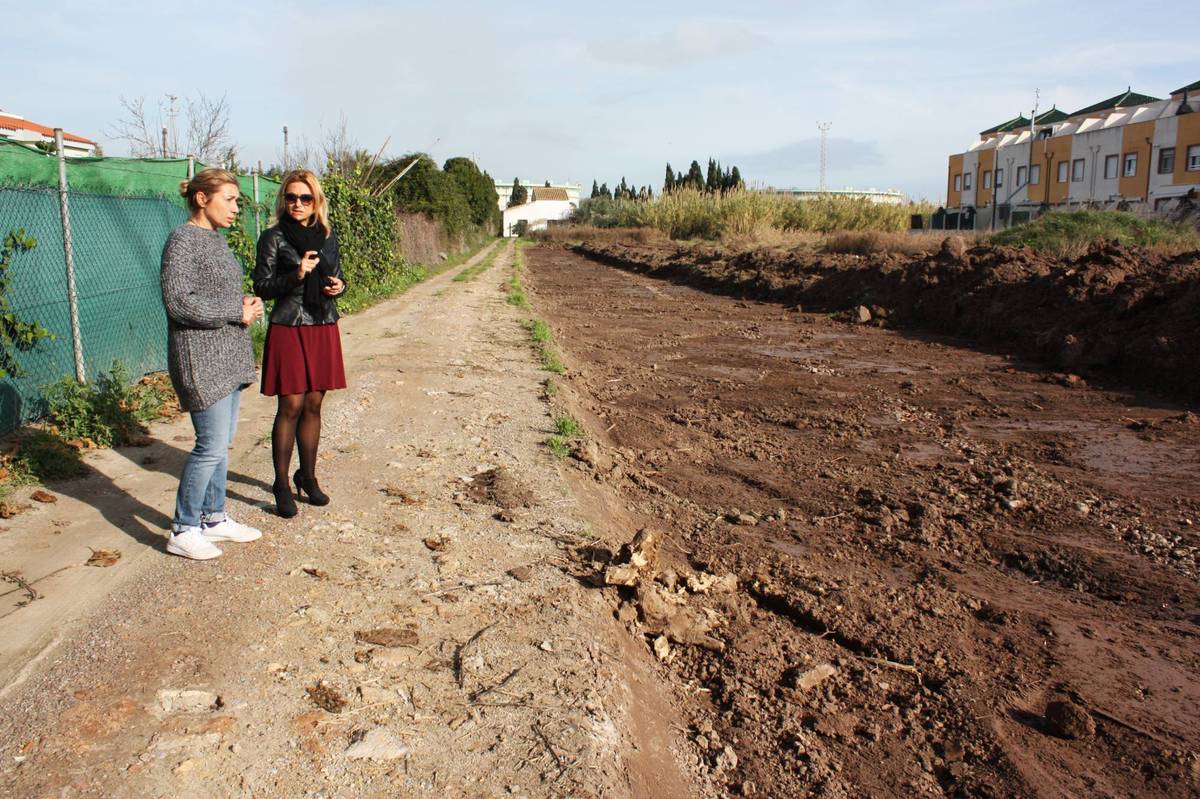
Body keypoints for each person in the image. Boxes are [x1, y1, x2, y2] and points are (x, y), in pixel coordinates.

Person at [160, 168, 264, 560]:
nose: (236, 207)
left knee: (221, 445)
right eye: (230, 199)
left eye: (238, 200)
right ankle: (184, 528)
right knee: (209, 446)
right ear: (202, 199)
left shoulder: (215, 240)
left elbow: (219, 296)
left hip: (228, 355)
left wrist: (247, 304)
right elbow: (179, 302)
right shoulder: (182, 240)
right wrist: (234, 311)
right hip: (200, 359)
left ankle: (214, 518)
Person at [253, 169, 347, 517]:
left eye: (304, 198)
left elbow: (337, 274)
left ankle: (307, 476)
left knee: (313, 405)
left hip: (322, 323)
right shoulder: (273, 237)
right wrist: (298, 274)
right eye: (290, 197)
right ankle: (281, 483)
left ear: (315, 201)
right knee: (290, 405)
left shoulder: (326, 236)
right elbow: (262, 287)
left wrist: (340, 286)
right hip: (289, 325)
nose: (296, 203)